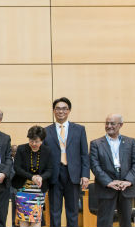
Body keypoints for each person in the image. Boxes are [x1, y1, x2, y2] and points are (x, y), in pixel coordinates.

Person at [89, 113, 135, 227]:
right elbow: (94, 165)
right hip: (106, 187)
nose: (109, 126)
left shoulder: (130, 142)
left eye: (112, 123)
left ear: (120, 125)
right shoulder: (96, 144)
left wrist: (128, 181)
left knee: (126, 222)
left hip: (126, 187)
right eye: (107, 123)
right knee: (104, 222)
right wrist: (109, 182)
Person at [43, 97, 89, 227]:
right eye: (58, 108)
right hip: (54, 175)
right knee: (54, 212)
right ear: (53, 111)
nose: (61, 111)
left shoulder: (79, 129)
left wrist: (85, 174)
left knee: (73, 212)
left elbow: (84, 154)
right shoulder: (46, 131)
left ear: (69, 111)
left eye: (64, 109)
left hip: (73, 174)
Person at [12, 126, 53, 227]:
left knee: (36, 219)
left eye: (37, 141)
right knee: (23, 219)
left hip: (38, 190)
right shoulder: (21, 149)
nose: (33, 144)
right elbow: (17, 168)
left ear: (42, 141)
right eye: (31, 140)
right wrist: (32, 177)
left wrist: (41, 177)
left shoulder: (47, 151)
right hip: (23, 189)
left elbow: (50, 170)